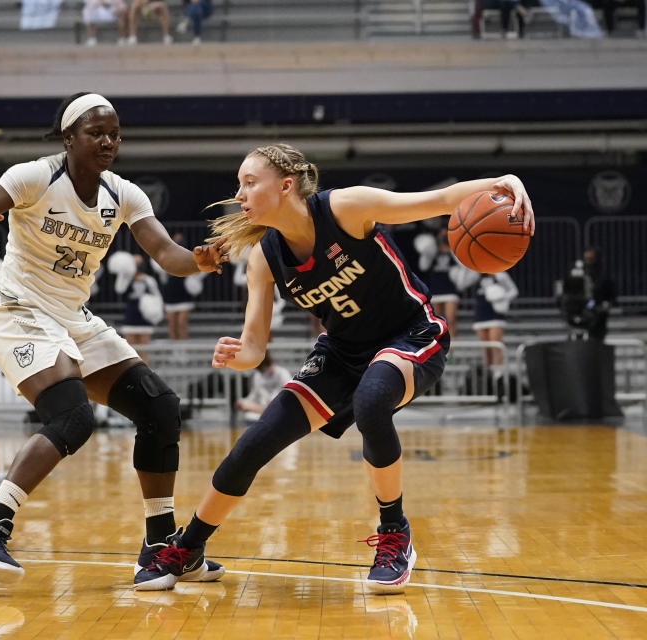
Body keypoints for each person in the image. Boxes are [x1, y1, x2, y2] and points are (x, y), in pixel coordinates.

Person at [131, 143, 534, 592]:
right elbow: (255, 347)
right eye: (238, 184)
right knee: (254, 444)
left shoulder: (345, 207)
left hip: (411, 334)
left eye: (249, 182)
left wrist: (506, 183)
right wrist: (237, 354)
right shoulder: (264, 257)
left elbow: (438, 200)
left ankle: (394, 533)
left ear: (285, 186)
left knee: (371, 400)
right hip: (341, 352)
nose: (239, 194)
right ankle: (189, 548)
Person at [0, 92, 228, 586]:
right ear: (68, 137)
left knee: (160, 407)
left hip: (72, 317)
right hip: (19, 311)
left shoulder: (124, 194)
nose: (108, 141)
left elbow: (165, 252)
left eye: (114, 133)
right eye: (96, 132)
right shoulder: (35, 176)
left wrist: (199, 259)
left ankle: (160, 548)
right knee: (72, 414)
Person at [413, 225, 477, 340]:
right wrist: (429, 249)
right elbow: (423, 266)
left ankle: (452, 348)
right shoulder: (432, 252)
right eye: (441, 235)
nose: (443, 238)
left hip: (450, 290)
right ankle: (441, 347)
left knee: (451, 319)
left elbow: (463, 265)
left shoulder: (453, 252)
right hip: (436, 290)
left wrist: (452, 248)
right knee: (438, 321)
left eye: (445, 235)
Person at [153, 232, 207, 340]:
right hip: (170, 293)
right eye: (176, 240)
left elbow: (202, 269)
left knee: (181, 324)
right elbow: (158, 268)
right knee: (172, 325)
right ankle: (174, 353)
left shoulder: (190, 256)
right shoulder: (167, 256)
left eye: (180, 240)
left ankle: (183, 353)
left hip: (184, 294)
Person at [472, 271, 518, 378]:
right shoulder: (475, 274)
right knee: (486, 348)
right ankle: (488, 376)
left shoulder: (501, 275)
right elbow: (461, 284)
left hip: (495, 315)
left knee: (495, 344)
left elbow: (514, 291)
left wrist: (501, 297)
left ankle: (499, 375)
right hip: (480, 314)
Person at [234, 351, 292, 421]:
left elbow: (287, 397)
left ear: (270, 363)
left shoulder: (283, 374)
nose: (263, 373)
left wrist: (272, 401)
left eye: (264, 369)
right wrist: (243, 402)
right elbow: (254, 396)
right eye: (261, 371)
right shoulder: (258, 375)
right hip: (263, 408)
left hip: (280, 409)